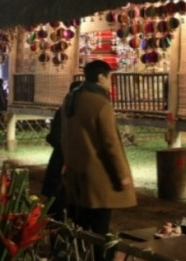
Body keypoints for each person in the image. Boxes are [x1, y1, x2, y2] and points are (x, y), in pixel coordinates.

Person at [61, 60, 136, 247]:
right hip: (99, 175)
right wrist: (122, 176)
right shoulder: (101, 104)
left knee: (81, 225)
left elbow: (65, 135)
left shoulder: (72, 99)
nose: (110, 83)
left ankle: (79, 259)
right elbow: (111, 144)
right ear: (101, 77)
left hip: (76, 171)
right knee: (100, 228)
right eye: (110, 78)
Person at [43, 80, 83, 219]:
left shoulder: (64, 110)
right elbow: (55, 136)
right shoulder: (69, 111)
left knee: (60, 199)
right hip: (64, 160)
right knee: (61, 199)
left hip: (60, 159)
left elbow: (53, 136)